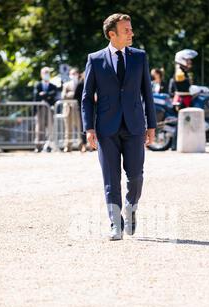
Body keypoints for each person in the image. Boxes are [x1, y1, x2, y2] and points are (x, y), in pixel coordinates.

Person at [82, 12, 156, 240]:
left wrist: (151, 125)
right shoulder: (95, 59)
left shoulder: (140, 57)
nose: (131, 32)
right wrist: (89, 129)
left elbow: (147, 93)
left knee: (136, 177)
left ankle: (131, 209)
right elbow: (86, 97)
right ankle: (115, 223)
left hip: (134, 127)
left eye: (131, 28)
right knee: (110, 179)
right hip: (106, 128)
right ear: (112, 34)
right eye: (127, 30)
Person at [34, 67, 57, 152]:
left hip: (50, 109)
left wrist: (45, 94)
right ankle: (38, 146)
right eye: (44, 73)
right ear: (41, 74)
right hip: (40, 109)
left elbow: (53, 95)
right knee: (39, 127)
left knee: (50, 128)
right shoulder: (38, 85)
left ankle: (49, 146)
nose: (46, 74)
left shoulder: (53, 86)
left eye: (47, 73)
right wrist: (48, 95)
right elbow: (36, 96)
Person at [61, 67, 80, 152]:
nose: (73, 75)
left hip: (78, 109)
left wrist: (72, 95)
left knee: (80, 128)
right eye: (71, 74)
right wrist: (72, 94)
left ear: (77, 74)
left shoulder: (80, 84)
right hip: (68, 109)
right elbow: (63, 96)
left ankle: (81, 145)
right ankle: (68, 146)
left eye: (74, 74)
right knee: (68, 129)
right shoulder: (66, 84)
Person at [73, 71, 87, 153]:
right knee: (84, 127)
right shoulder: (80, 84)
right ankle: (84, 145)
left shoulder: (95, 82)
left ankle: (93, 145)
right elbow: (75, 96)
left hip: (95, 107)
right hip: (83, 108)